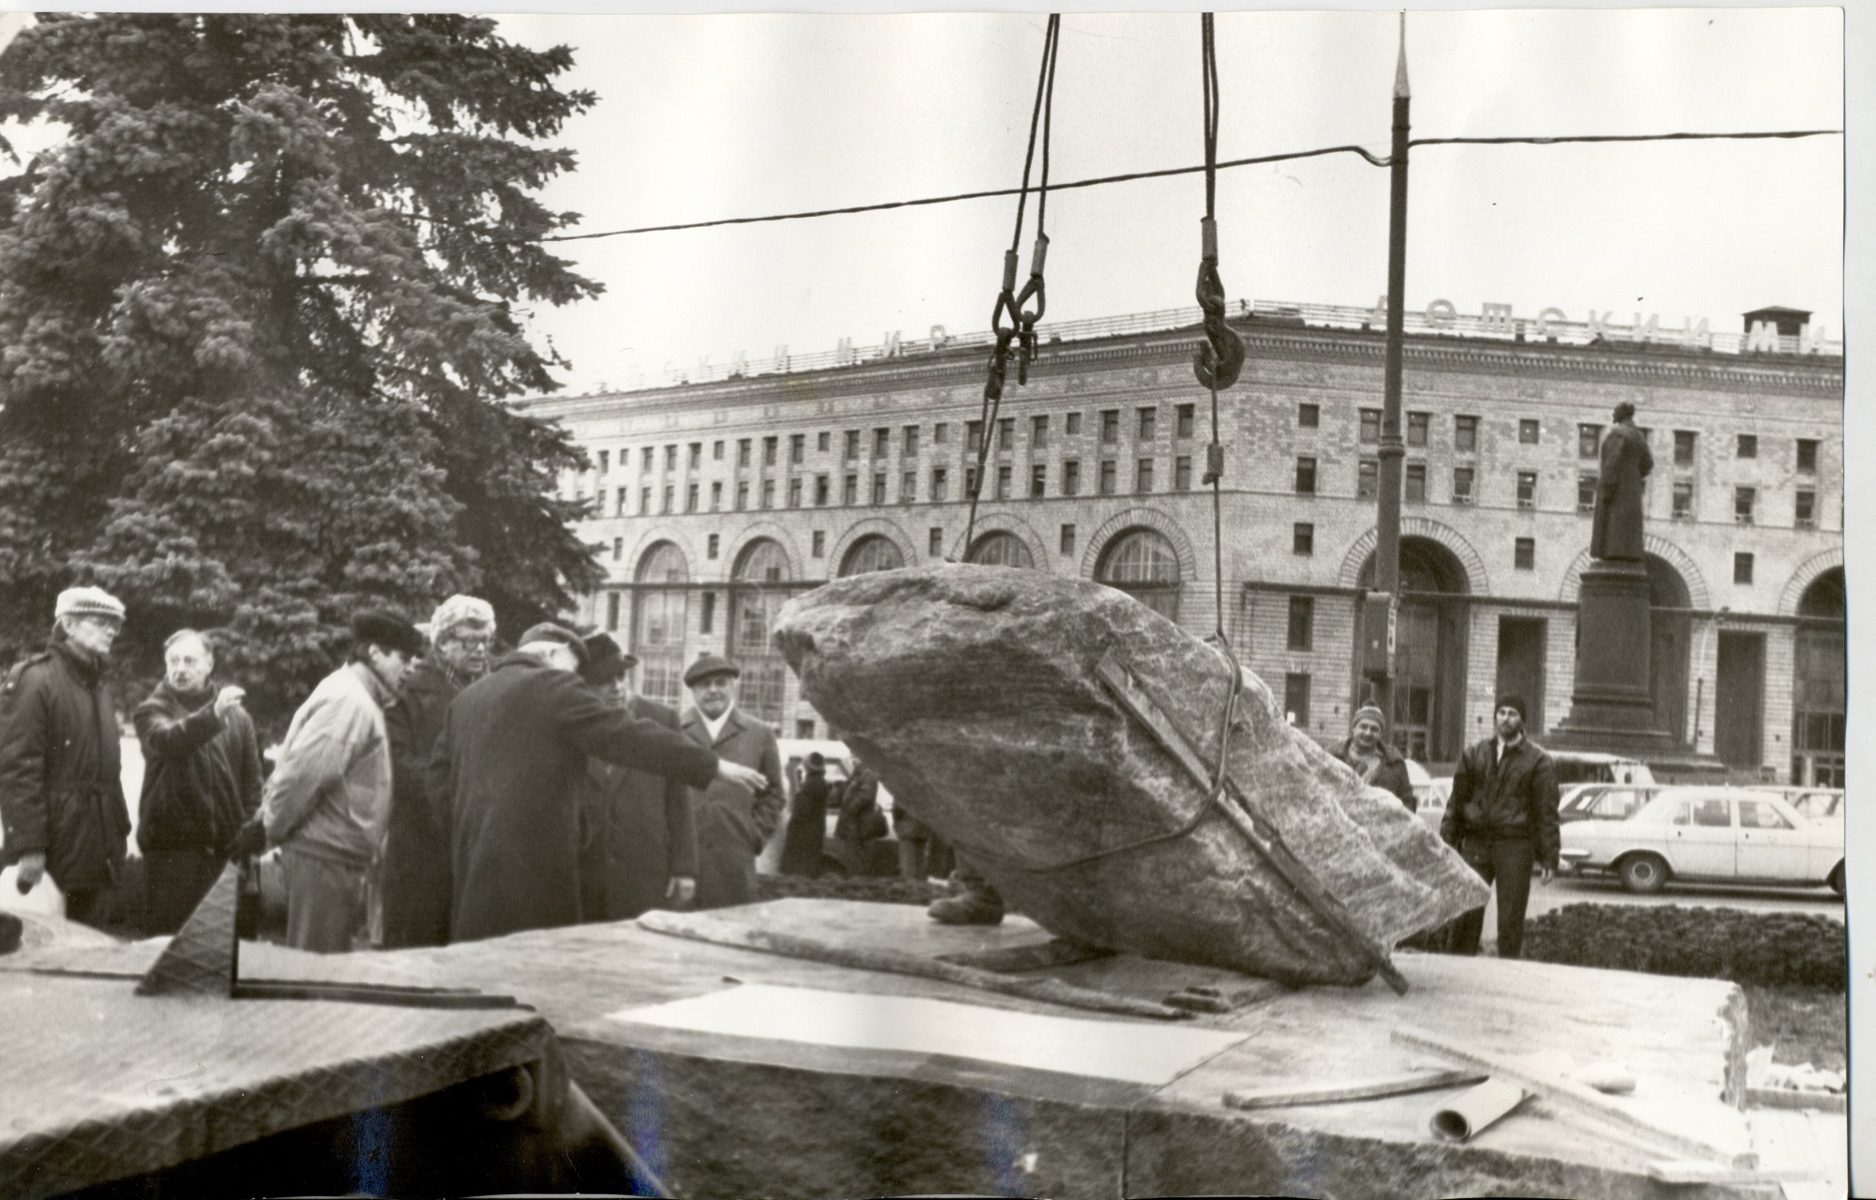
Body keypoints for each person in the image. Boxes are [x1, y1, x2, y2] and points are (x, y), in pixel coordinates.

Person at [431, 624, 768, 943]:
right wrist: (711, 764)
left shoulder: (465, 700)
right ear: (554, 654)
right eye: (573, 669)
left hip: (473, 876)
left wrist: (471, 834)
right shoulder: (553, 686)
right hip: (537, 880)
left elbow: (438, 781)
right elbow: (626, 736)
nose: (576, 680)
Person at [259, 609, 422, 953]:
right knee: (314, 969)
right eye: (404, 658)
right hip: (323, 858)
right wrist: (268, 828)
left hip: (331, 856)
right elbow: (304, 775)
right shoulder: (350, 700)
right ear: (374, 653)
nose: (411, 668)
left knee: (321, 964)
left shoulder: (358, 696)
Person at [0, 586, 133, 931]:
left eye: (114, 625)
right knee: (47, 951)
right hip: (54, 853)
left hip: (98, 851)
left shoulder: (99, 687)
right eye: (99, 622)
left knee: (91, 947)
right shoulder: (35, 680)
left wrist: (118, 834)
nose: (110, 631)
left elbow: (107, 773)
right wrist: (29, 846)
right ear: (69, 625)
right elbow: (18, 769)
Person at [381, 594, 495, 948]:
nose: (481, 650)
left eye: (486, 641)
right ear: (443, 642)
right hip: (421, 850)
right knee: (418, 952)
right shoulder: (409, 688)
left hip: (475, 848)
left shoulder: (495, 688)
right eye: (469, 641)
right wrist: (458, 786)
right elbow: (396, 762)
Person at [133, 629, 264, 934]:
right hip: (171, 858)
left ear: (209, 664)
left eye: (189, 661)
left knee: (220, 950)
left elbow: (252, 784)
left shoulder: (239, 717)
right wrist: (214, 716)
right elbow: (169, 740)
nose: (180, 669)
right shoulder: (151, 711)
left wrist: (246, 840)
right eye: (173, 661)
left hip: (224, 857)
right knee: (169, 948)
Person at [576, 631, 699, 920]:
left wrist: (685, 868)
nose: (617, 687)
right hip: (584, 878)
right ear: (583, 686)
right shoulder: (572, 725)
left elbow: (679, 799)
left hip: (645, 875)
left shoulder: (660, 720)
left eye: (621, 676)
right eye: (604, 680)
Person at [1439, 693, 1561, 959]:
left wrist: (1549, 856)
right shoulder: (1474, 754)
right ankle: (1458, 970)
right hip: (1476, 842)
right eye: (1502, 712)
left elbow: (1546, 813)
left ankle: (1507, 972)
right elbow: (1457, 802)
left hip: (1515, 845)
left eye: (1512, 714)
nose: (1506, 719)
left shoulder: (1539, 761)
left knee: (1510, 917)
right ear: (1495, 716)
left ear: (1523, 720)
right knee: (1465, 911)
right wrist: (1445, 843)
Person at [680, 656, 786, 909]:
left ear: (733, 686)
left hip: (735, 863)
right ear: (693, 691)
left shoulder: (759, 733)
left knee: (732, 924)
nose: (713, 690)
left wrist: (754, 835)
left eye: (721, 683)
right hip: (682, 861)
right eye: (704, 684)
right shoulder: (674, 730)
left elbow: (773, 793)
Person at [1590, 401, 1653, 562]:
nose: (1613, 414)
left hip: (1617, 489)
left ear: (1623, 413)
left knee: (1614, 527)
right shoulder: (1639, 436)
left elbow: (1611, 463)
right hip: (1633, 489)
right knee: (1628, 530)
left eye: (1615, 411)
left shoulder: (1618, 434)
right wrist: (1634, 474)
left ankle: (1612, 555)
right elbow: (1648, 463)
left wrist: (1607, 490)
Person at [1331, 703, 1415, 812]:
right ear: (1353, 728)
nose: (1368, 733)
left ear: (1381, 734)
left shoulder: (1394, 763)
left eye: (1374, 729)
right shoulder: (1333, 757)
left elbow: (1408, 801)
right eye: (1363, 727)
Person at [777, 751, 831, 877]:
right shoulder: (818, 781)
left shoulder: (812, 783)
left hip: (804, 833)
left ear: (809, 765)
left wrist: (791, 825)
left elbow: (801, 810)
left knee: (799, 870)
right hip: (812, 832)